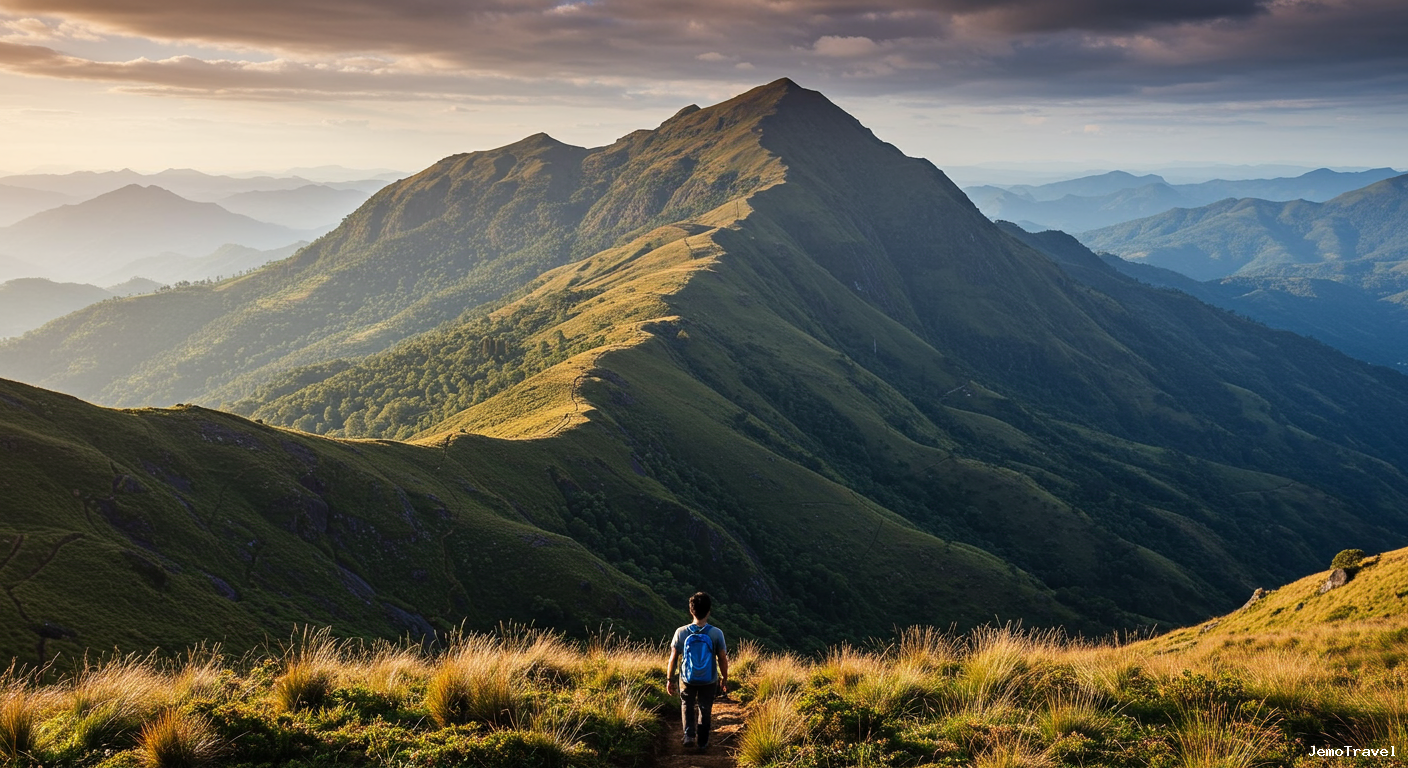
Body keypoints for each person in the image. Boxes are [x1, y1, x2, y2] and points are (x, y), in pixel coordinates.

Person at [665, 591, 728, 750]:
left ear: (691, 610)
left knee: (687, 704)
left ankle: (689, 735)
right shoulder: (716, 633)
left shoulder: (680, 632)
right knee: (705, 707)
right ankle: (703, 741)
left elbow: (673, 658)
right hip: (709, 679)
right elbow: (722, 658)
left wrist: (669, 679)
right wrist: (724, 678)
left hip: (687, 678)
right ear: (709, 611)